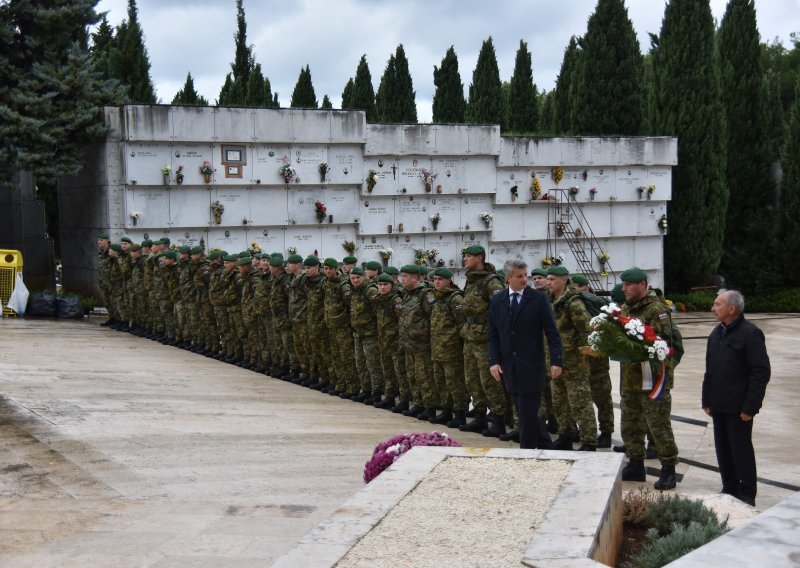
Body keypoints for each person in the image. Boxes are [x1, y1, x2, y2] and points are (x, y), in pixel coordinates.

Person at [702, 289, 770, 506]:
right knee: (723, 449)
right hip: (718, 402)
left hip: (739, 406)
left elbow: (760, 372)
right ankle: (729, 487)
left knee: (740, 449)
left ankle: (747, 491)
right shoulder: (716, 333)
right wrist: (706, 399)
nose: (713, 308)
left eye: (718, 304)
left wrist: (751, 406)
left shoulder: (750, 334)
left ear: (732, 309)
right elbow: (710, 369)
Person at [488, 259, 563, 449]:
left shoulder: (538, 299)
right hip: (508, 366)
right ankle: (545, 444)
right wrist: (493, 361)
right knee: (524, 412)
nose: (524, 280)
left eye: (525, 275)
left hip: (532, 365)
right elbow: (493, 334)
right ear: (508, 278)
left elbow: (551, 332)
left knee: (527, 413)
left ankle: (526, 452)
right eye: (519, 276)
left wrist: (556, 361)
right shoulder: (498, 300)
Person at [619, 267, 680, 490]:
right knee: (630, 423)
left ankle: (668, 469)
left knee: (658, 425)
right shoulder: (626, 308)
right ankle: (635, 464)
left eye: (628, 284)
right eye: (623, 284)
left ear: (642, 285)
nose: (623, 288)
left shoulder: (657, 310)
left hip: (653, 379)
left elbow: (661, 344)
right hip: (630, 378)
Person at [546, 266, 598, 451]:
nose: (549, 282)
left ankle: (589, 440)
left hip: (573, 362)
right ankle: (565, 436)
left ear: (564, 280)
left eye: (553, 279)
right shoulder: (549, 300)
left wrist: (580, 350)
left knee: (580, 402)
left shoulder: (573, 303)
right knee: (559, 402)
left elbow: (587, 330)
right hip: (555, 361)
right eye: (548, 279)